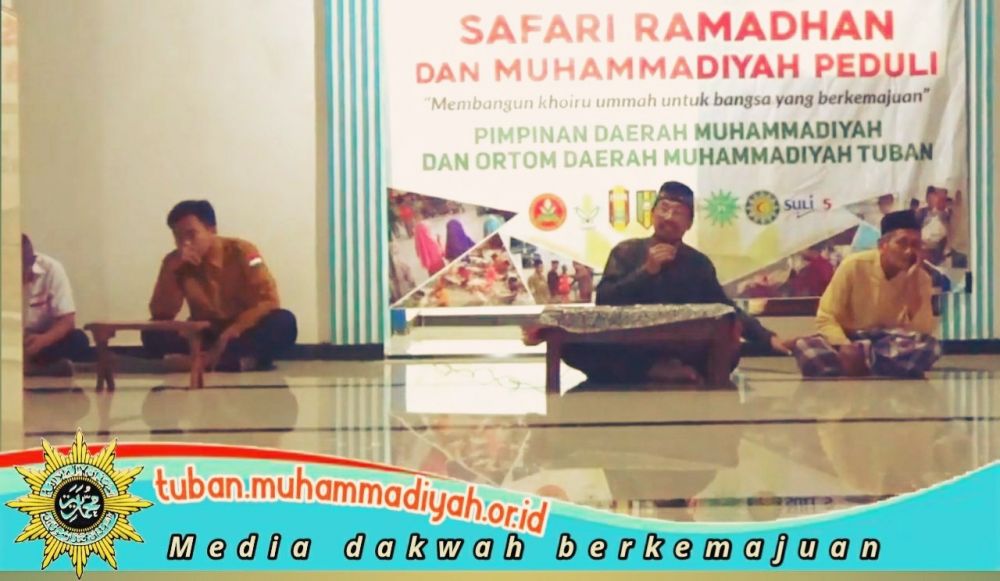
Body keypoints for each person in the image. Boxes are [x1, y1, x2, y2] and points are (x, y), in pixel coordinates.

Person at [528, 181, 788, 384]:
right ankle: (653, 370)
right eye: (664, 209)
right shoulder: (626, 251)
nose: (669, 217)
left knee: (729, 352)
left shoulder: (698, 263)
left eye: (678, 213)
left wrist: (767, 338)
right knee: (572, 348)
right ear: (652, 215)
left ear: (688, 224)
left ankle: (650, 371)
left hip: (681, 348)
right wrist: (646, 271)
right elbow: (605, 299)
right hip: (630, 347)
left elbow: (725, 307)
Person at [142, 200, 297, 372]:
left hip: (242, 331)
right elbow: (161, 314)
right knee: (152, 332)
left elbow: (269, 300)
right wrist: (171, 272)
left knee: (284, 322)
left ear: (212, 230)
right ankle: (234, 362)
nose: (185, 243)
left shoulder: (243, 251)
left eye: (191, 234)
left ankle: (205, 361)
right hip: (206, 332)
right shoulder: (174, 262)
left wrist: (235, 329)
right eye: (178, 237)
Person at [791, 210, 940, 378]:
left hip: (887, 342)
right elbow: (826, 316)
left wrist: (912, 284)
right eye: (902, 243)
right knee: (806, 346)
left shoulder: (921, 278)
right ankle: (875, 367)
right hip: (849, 337)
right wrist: (843, 345)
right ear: (882, 245)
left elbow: (922, 331)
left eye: (915, 245)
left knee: (931, 347)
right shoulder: (854, 265)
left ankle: (856, 366)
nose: (908, 251)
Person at [21, 235, 91, 376]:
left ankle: (33, 365)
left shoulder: (51, 269)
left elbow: (67, 320)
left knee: (79, 339)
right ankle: (39, 369)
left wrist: (44, 340)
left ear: (32, 260)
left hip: (40, 339)